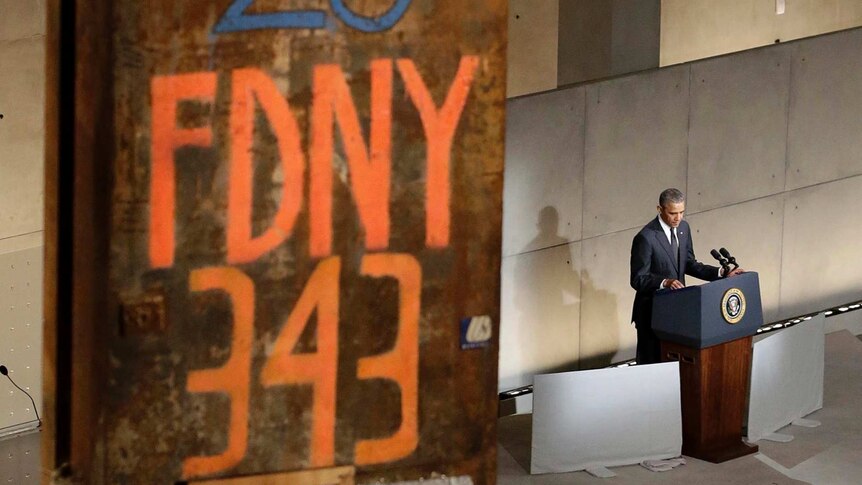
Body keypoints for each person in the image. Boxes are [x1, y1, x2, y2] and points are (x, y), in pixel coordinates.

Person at [629, 188, 743, 365]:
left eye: (682, 212)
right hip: (652, 314)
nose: (678, 218)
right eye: (673, 213)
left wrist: (722, 273)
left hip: (678, 311)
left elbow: (689, 263)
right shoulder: (646, 238)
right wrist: (665, 282)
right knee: (652, 366)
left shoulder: (683, 228)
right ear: (659, 209)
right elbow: (638, 279)